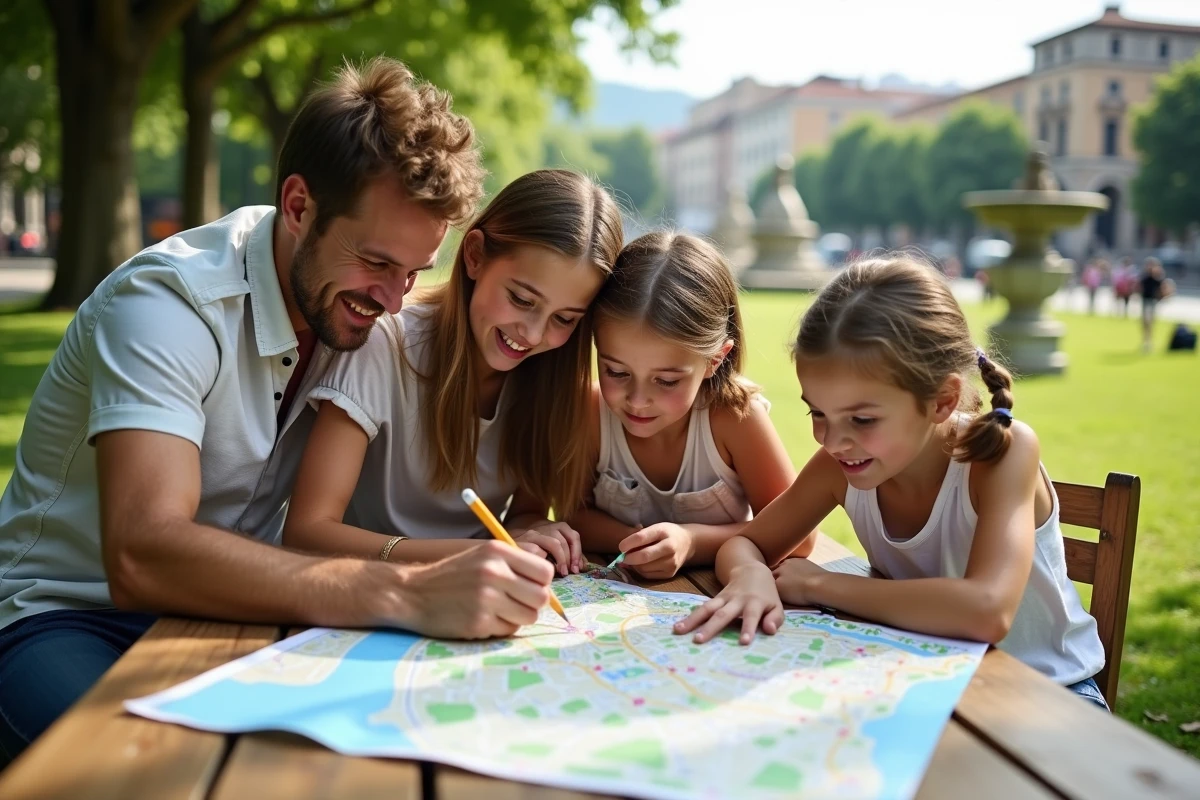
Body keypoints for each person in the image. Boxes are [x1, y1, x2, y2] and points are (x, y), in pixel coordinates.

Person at [0, 57, 558, 767]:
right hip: (65, 618)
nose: (393, 300)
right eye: (377, 262)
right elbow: (143, 554)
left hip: (235, 615)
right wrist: (406, 591)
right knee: (149, 774)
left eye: (415, 272)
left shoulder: (351, 309)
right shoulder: (166, 306)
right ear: (298, 206)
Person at [674, 255, 1108, 710]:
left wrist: (820, 586)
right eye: (817, 412)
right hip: (924, 679)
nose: (832, 440)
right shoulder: (839, 465)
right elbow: (745, 544)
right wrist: (750, 577)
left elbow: (986, 611)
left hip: (1049, 694)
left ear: (942, 401)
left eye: (862, 419)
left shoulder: (1002, 454)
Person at [282, 170, 623, 574]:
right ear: (475, 255)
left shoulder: (551, 378)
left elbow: (522, 515)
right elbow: (307, 533)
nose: (532, 335)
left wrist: (533, 532)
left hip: (476, 596)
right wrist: (464, 555)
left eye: (565, 319)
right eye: (521, 299)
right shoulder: (384, 345)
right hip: (363, 594)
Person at [564, 233, 807, 580]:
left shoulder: (736, 417)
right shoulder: (591, 411)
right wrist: (640, 544)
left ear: (714, 360)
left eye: (666, 381)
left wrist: (692, 542)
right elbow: (572, 514)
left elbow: (799, 536)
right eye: (616, 371)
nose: (637, 399)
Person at [1139, 257, 1175, 353]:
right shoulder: (1145, 277)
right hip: (1145, 301)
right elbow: (1140, 287)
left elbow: (1165, 289)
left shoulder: (1157, 278)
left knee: (1149, 321)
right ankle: (1146, 341)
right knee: (1145, 322)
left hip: (1152, 302)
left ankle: (1148, 342)